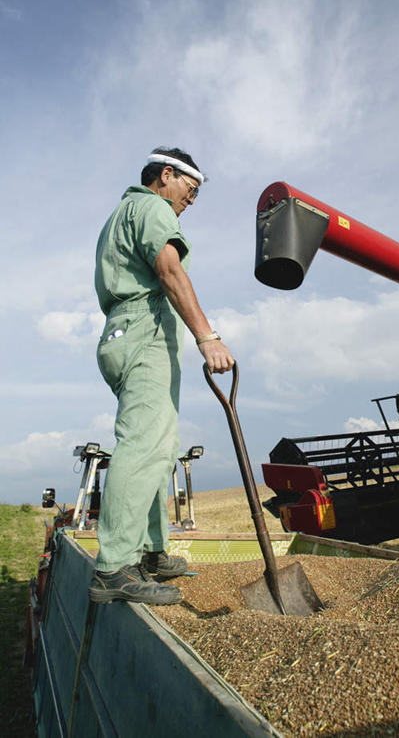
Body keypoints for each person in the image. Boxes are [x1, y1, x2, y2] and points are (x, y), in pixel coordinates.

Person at [90, 147, 234, 605]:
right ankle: (114, 568)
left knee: (158, 447)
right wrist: (208, 337)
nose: (191, 200)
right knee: (144, 444)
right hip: (145, 329)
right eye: (190, 190)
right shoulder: (152, 208)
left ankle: (151, 551)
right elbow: (170, 271)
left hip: (123, 332)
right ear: (166, 175)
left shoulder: (121, 214)